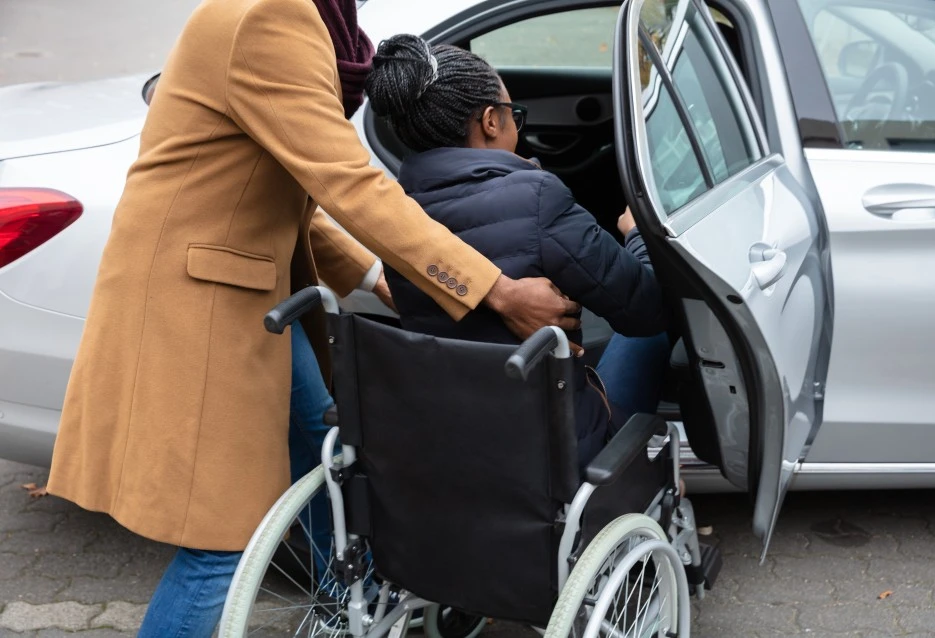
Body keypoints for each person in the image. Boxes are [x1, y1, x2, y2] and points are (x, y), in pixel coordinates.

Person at [45, 0, 581, 635]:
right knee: (223, 541)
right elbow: (348, 183)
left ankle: (341, 611)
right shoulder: (271, 16)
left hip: (247, 292)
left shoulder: (315, 24)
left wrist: (376, 276)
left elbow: (292, 182)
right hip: (200, 300)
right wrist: (493, 290)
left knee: (329, 462)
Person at [365, 35, 672, 468]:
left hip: (455, 448)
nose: (515, 124)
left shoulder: (400, 218)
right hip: (557, 450)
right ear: (491, 121)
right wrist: (635, 236)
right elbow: (644, 310)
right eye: (514, 114)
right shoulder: (536, 199)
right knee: (654, 335)